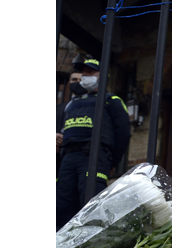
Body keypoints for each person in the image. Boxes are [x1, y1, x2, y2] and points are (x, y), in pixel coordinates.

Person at [56, 57, 131, 231]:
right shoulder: (71, 105)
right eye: (83, 73)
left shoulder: (112, 101)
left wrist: (112, 161)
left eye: (90, 72)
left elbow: (123, 134)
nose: (84, 76)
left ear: (102, 76)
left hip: (94, 157)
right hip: (68, 160)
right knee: (62, 205)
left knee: (91, 203)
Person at [57, 70, 86, 174]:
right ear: (69, 83)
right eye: (74, 79)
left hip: (82, 156)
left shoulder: (94, 105)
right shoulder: (59, 108)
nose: (78, 82)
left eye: (81, 80)